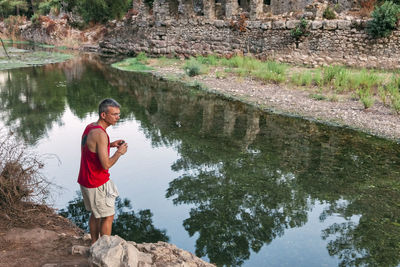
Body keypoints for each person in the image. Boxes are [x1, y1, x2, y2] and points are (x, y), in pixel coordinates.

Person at [77, 98, 128, 244]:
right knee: (108, 216)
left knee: (96, 214)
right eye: (114, 114)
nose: (118, 117)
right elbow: (106, 165)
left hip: (86, 179)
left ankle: (94, 243)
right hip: (96, 182)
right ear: (103, 115)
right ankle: (104, 248)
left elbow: (91, 148)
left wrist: (110, 145)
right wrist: (119, 152)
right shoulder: (101, 134)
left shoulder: (91, 127)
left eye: (118, 114)